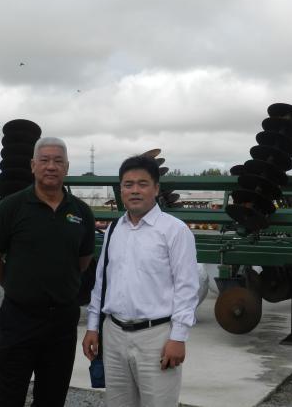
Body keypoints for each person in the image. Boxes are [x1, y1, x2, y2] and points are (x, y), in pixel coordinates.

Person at [0, 137, 95, 407]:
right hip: (19, 319)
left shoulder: (81, 212)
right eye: (44, 160)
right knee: (8, 396)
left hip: (62, 322)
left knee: (52, 397)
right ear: (33, 165)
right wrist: (15, 285)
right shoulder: (11, 207)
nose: (51, 166)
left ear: (67, 167)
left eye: (58, 161)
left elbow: (83, 260)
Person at [82, 155, 199, 407]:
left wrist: (178, 337)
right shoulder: (114, 229)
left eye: (142, 184)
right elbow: (101, 282)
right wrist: (93, 327)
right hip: (114, 335)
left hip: (156, 337)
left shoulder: (175, 230)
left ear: (156, 189)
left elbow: (187, 287)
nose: (135, 190)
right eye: (128, 184)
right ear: (121, 190)